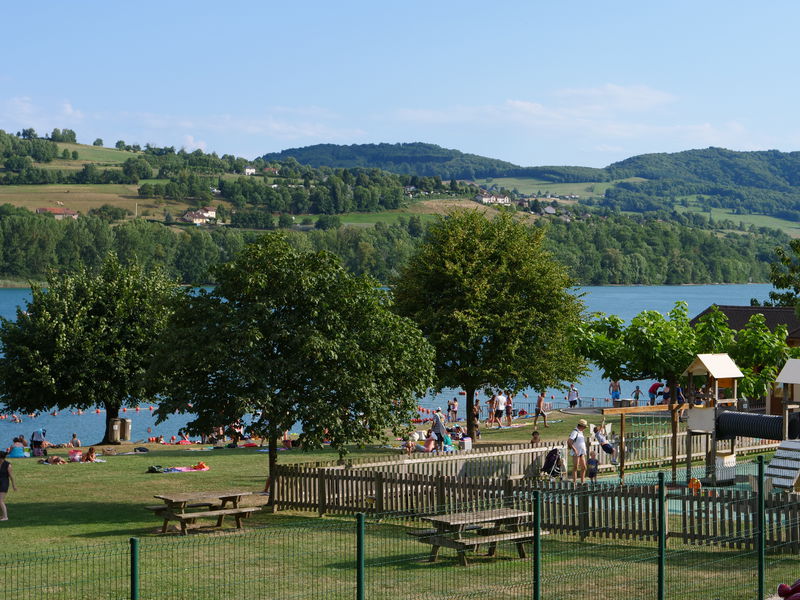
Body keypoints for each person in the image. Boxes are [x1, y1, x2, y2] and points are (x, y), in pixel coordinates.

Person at [567, 419, 588, 484]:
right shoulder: (575, 432)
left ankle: (582, 481)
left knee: (584, 467)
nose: (585, 428)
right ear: (581, 426)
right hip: (576, 453)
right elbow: (569, 442)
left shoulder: (581, 432)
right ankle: (574, 482)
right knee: (575, 467)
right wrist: (574, 449)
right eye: (584, 427)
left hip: (581, 452)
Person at [0, 451, 17, 521]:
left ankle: (5, 517)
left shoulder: (8, 465)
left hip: (4, 483)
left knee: (0, 500)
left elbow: (11, 476)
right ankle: (2, 515)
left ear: (1, 458)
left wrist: (14, 485)